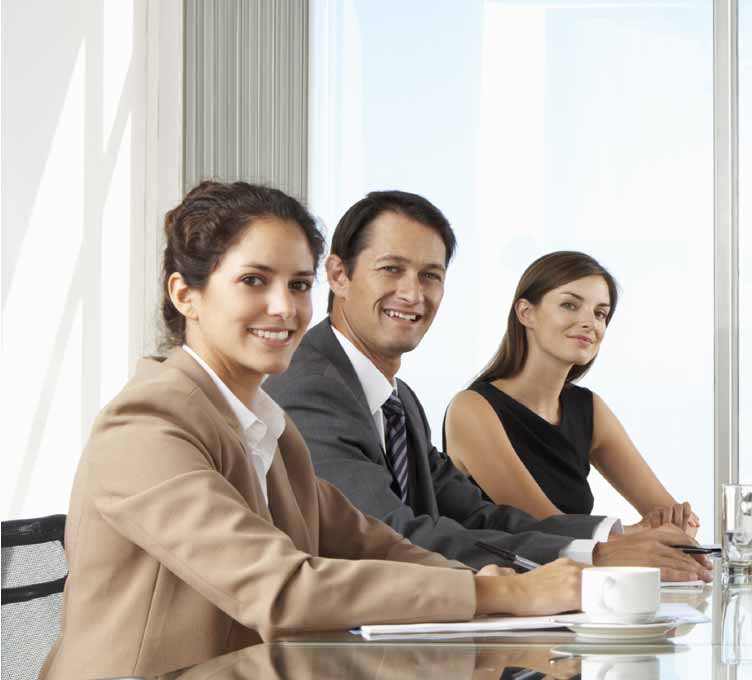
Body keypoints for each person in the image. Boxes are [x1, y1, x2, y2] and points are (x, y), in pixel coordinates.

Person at [41, 182, 583, 679]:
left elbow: (370, 542)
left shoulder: (266, 430)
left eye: (298, 285)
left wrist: (489, 584)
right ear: (186, 295)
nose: (284, 308)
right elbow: (281, 587)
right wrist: (497, 595)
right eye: (254, 280)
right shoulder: (146, 425)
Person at [263, 192, 706, 579]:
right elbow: (387, 535)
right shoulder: (310, 387)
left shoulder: (399, 401)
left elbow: (477, 515)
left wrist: (612, 537)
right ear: (338, 275)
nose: (413, 294)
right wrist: (599, 555)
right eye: (391, 269)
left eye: (430, 275)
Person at [444, 251, 698, 528]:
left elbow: (673, 517)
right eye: (569, 305)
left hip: (586, 558)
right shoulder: (471, 409)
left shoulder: (588, 409)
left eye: (600, 313)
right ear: (526, 313)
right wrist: (640, 531)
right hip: (497, 559)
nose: (590, 322)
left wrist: (680, 523)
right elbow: (548, 527)